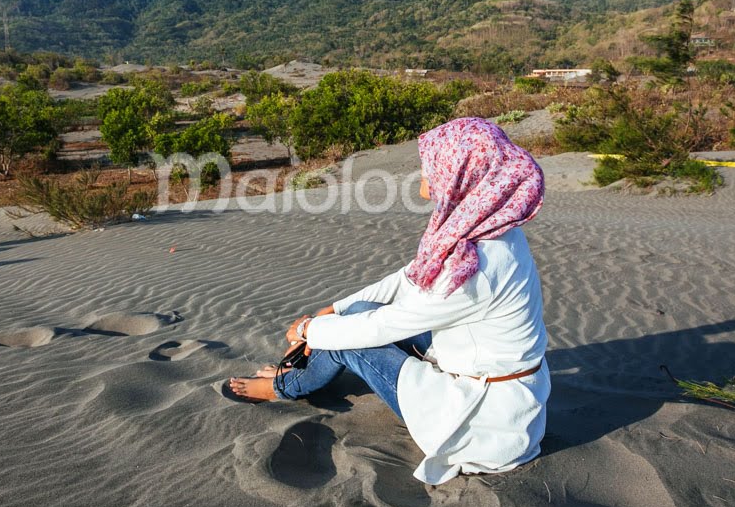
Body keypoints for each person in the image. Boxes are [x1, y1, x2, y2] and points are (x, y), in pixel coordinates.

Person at [228, 117, 549, 485]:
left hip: (482, 425)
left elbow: (385, 325)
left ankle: (285, 386)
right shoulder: (490, 229)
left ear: (464, 178)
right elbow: (409, 275)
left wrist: (309, 329)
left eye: (434, 174)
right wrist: (336, 308)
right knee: (350, 319)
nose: (426, 189)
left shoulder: (478, 268)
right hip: (493, 388)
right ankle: (308, 369)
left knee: (350, 338)